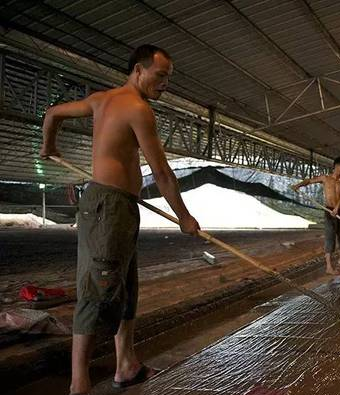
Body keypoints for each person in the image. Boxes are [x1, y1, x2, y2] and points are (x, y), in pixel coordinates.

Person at [39, 45, 201, 395]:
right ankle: (78, 384)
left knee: (125, 286)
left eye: (169, 78)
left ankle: (126, 365)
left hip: (120, 207)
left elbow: (52, 113)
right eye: (160, 76)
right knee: (97, 291)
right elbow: (161, 172)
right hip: (108, 208)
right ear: (138, 70)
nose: (165, 84)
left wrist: (48, 146)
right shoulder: (138, 109)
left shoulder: (101, 100)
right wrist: (184, 218)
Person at [292, 157, 340, 275]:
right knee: (330, 237)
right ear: (336, 166)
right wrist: (298, 185)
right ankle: (329, 267)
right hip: (329, 211)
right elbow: (309, 181)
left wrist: (337, 208)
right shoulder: (325, 178)